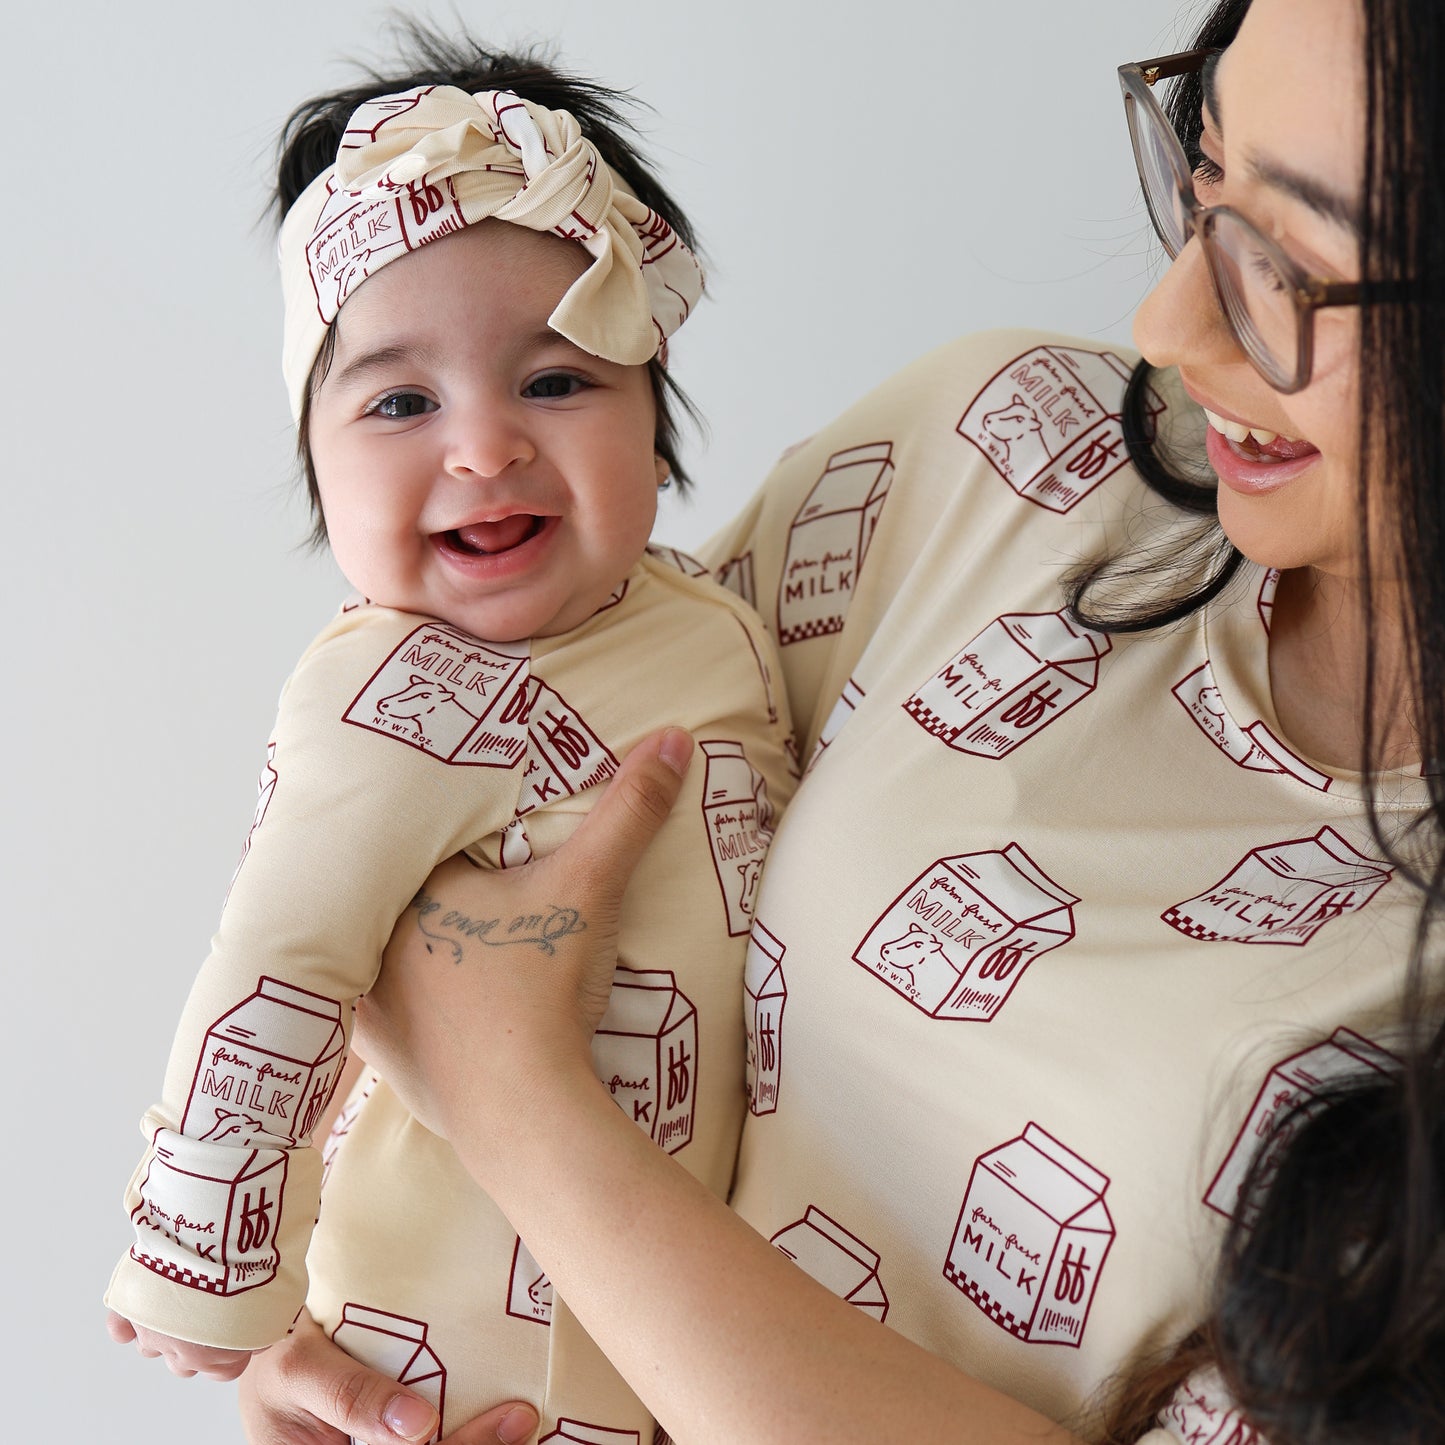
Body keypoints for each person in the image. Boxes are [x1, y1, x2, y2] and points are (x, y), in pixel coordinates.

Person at [238, 0, 1445, 1440]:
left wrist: (517, 1107)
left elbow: (475, 1014)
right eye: (1206, 178)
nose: (1167, 322)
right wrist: (333, 1332)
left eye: (1292, 265)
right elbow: (469, 839)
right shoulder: (1010, 457)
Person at [103, 35, 796, 1445]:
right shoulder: (389, 694)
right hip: (444, 1345)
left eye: (557, 382)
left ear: (656, 419)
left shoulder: (703, 616)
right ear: (317, 465)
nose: (483, 448)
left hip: (686, 1320)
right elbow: (278, 960)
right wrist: (204, 1262)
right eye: (401, 403)